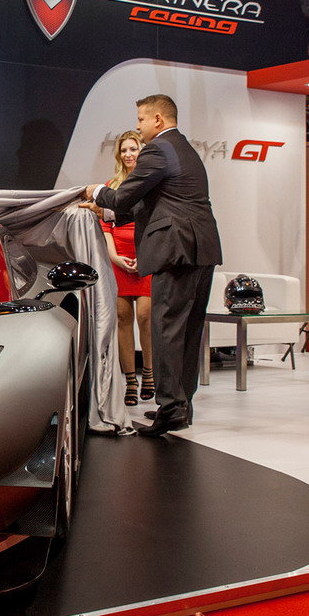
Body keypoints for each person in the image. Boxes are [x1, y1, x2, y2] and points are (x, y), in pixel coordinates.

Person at [84, 94, 222, 436]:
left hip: (175, 250)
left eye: (141, 119)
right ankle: (181, 406)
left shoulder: (158, 149)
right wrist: (107, 212)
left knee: (167, 329)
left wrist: (95, 191)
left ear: (158, 119)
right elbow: (154, 204)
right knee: (188, 330)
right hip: (201, 249)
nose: (138, 126)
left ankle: (171, 408)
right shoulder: (183, 148)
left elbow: (122, 196)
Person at [82, 130, 154, 407]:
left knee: (145, 317)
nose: (128, 154)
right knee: (123, 319)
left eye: (133, 149)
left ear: (141, 152)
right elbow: (106, 225)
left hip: (147, 258)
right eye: (124, 150)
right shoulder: (111, 186)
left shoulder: (150, 184)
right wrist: (114, 256)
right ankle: (130, 381)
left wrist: (145, 256)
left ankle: (149, 374)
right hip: (119, 259)